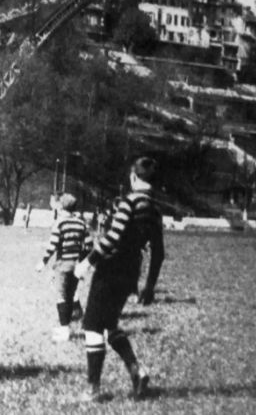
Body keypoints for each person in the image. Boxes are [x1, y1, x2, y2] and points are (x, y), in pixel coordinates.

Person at [74, 157, 165, 401]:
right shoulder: (155, 210)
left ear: (134, 178)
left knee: (92, 326)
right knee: (110, 324)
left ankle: (93, 389)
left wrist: (87, 262)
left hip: (111, 269)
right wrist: (149, 286)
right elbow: (159, 252)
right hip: (131, 272)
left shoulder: (129, 202)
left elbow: (113, 237)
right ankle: (137, 370)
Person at [36, 193, 92, 342]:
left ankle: (64, 330)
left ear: (61, 206)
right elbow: (89, 245)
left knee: (61, 296)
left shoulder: (60, 223)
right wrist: (81, 260)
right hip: (76, 266)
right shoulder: (81, 223)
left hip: (62, 266)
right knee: (70, 295)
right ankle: (65, 327)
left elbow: (52, 245)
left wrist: (43, 261)